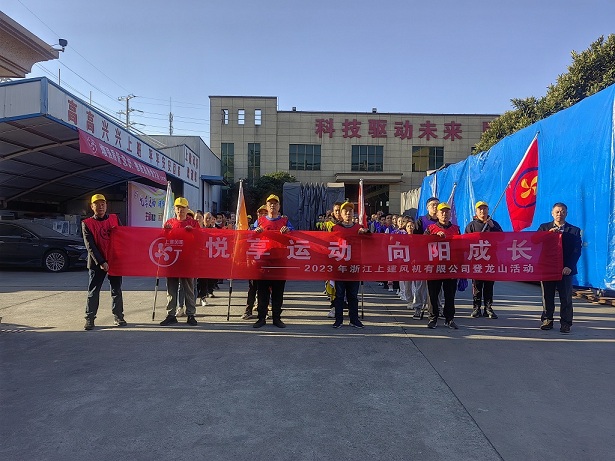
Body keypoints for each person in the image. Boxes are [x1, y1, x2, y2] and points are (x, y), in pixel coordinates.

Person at [82, 194, 125, 331]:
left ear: (106, 205)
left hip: (114, 261)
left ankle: (118, 316)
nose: (100, 206)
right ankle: (90, 318)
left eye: (103, 204)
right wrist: (101, 261)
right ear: (92, 206)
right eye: (97, 204)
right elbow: (90, 246)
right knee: (93, 291)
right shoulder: (87, 223)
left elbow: (123, 236)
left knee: (116, 290)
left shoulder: (114, 219)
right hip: (97, 263)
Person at [537, 202, 582, 334]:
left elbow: (576, 250)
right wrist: (547, 234)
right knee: (547, 296)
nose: (559, 214)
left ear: (566, 214)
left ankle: (566, 323)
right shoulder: (544, 227)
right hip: (548, 268)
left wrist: (569, 266)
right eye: (557, 211)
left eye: (562, 211)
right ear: (552, 213)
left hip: (565, 269)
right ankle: (547, 320)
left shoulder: (574, 230)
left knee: (566, 297)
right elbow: (535, 241)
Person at [252, 194, 294, 328]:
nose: (273, 206)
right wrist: (255, 231)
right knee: (262, 292)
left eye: (275, 203)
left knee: (278, 292)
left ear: (279, 206)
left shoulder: (285, 221)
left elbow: (294, 233)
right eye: (270, 203)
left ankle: (277, 318)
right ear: (266, 206)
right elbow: (250, 234)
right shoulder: (260, 221)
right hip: (263, 262)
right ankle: (261, 318)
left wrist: (288, 230)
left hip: (280, 262)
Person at [159, 197, 200, 327]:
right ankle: (171, 314)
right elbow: (161, 240)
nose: (180, 210)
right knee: (171, 288)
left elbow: (200, 240)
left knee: (188, 289)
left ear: (187, 209)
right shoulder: (169, 223)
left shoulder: (193, 223)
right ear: (174, 209)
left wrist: (192, 232)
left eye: (183, 207)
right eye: (178, 207)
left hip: (187, 261)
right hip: (172, 261)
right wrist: (165, 231)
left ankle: (191, 314)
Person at [330, 201, 369, 328]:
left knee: (353, 295)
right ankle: (339, 319)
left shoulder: (359, 228)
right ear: (340, 214)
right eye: (345, 211)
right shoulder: (335, 228)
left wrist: (366, 234)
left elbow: (369, 243)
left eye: (350, 211)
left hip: (354, 266)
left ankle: (354, 319)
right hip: (340, 266)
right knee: (339, 295)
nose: (348, 213)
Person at [424, 202, 460, 329]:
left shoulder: (456, 229)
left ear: (450, 214)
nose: (444, 214)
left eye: (447, 212)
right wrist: (434, 237)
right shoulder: (430, 228)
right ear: (437, 214)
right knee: (433, 294)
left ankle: (449, 318)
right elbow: (422, 244)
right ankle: (433, 318)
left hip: (450, 267)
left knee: (450, 294)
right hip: (434, 267)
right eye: (442, 212)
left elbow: (461, 246)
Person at [465, 201, 503, 319]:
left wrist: (492, 227)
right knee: (477, 286)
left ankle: (488, 308)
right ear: (476, 211)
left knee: (489, 286)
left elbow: (502, 237)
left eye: (485, 209)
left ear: (488, 210)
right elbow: (465, 241)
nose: (482, 211)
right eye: (480, 209)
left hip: (490, 260)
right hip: (477, 260)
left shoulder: (493, 224)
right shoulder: (471, 225)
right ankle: (476, 308)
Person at [242, 205, 268, 320]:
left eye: (265, 213)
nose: (262, 215)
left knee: (265, 289)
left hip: (267, 261)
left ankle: (264, 311)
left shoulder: (271, 225)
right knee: (252, 287)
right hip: (254, 262)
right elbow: (246, 242)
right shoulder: (253, 227)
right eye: (260, 213)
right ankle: (248, 310)